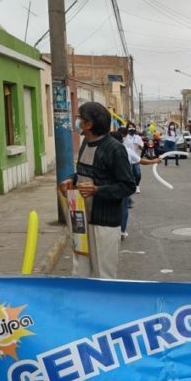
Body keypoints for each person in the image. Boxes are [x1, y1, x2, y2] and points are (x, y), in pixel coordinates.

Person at [58, 102, 136, 278]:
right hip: (80, 218)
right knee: (79, 270)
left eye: (79, 118)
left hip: (104, 222)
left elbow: (127, 185)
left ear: (89, 124)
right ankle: (82, 304)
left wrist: (97, 190)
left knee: (104, 274)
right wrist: (71, 178)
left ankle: (106, 304)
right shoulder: (86, 142)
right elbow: (84, 171)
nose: (76, 121)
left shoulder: (115, 149)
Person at [110, 129, 161, 240]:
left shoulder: (104, 150)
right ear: (122, 140)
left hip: (108, 183)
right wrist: (154, 161)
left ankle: (111, 230)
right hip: (123, 183)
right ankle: (121, 231)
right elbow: (140, 161)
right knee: (123, 207)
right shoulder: (127, 150)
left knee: (111, 207)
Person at [124, 123, 144, 193]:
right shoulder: (125, 137)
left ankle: (137, 186)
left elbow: (142, 148)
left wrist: (138, 145)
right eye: (129, 128)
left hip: (136, 158)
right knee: (128, 174)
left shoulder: (138, 137)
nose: (131, 129)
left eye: (133, 127)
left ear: (135, 128)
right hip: (127, 159)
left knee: (137, 174)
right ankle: (129, 187)